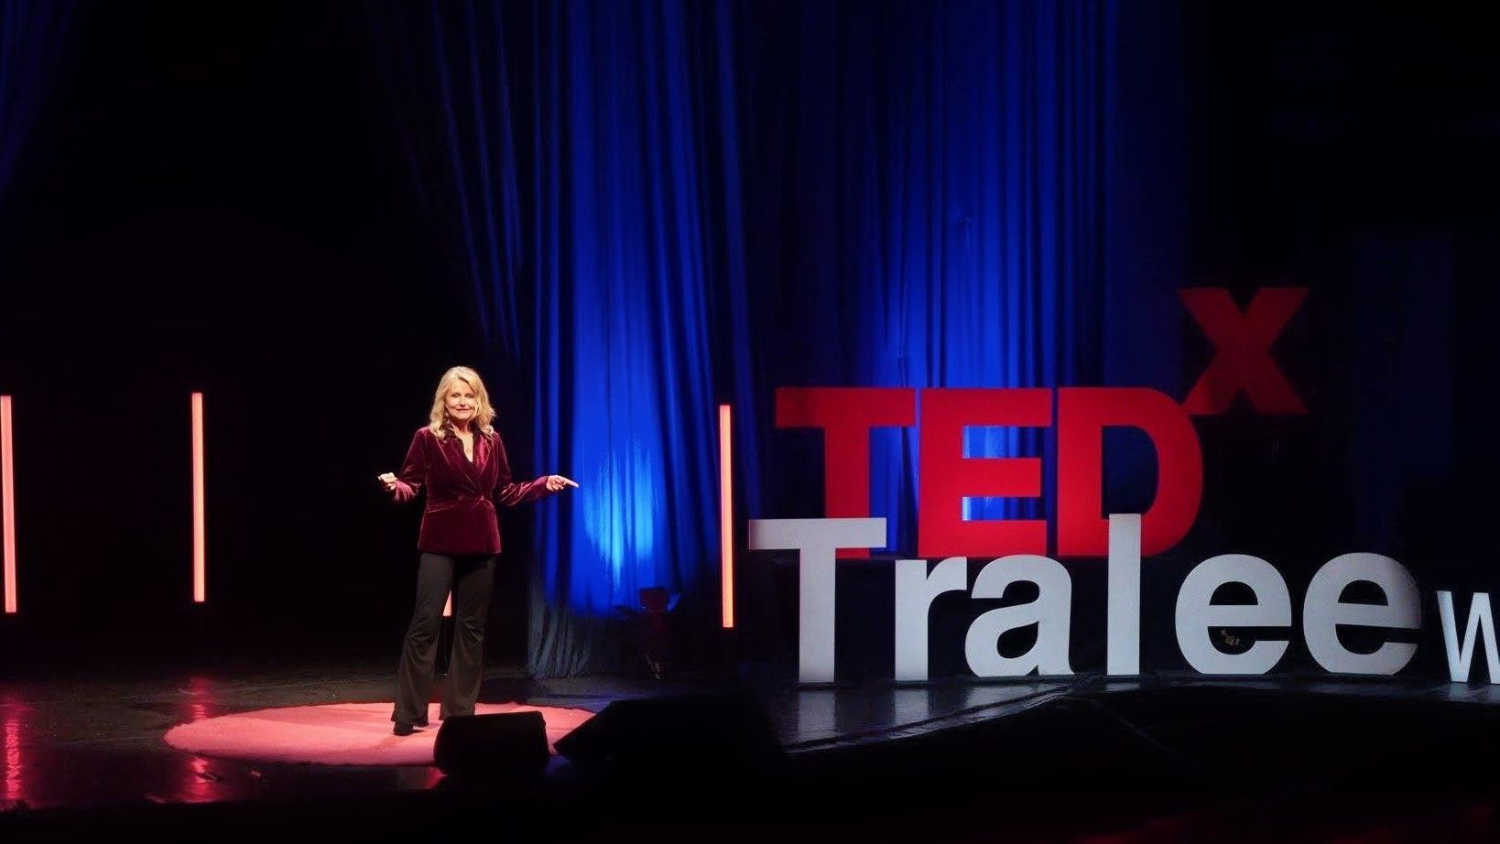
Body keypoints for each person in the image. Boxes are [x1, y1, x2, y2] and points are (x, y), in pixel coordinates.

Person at [378, 365, 576, 736]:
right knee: (425, 625)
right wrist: (394, 488)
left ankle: (459, 713)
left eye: (469, 395)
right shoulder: (427, 437)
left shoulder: (492, 440)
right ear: (444, 400)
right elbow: (410, 485)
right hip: (439, 542)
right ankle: (408, 712)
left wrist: (542, 484)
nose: (463, 402)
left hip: (482, 542)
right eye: (455, 395)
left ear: (479, 400)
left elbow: (505, 491)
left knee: (471, 629)